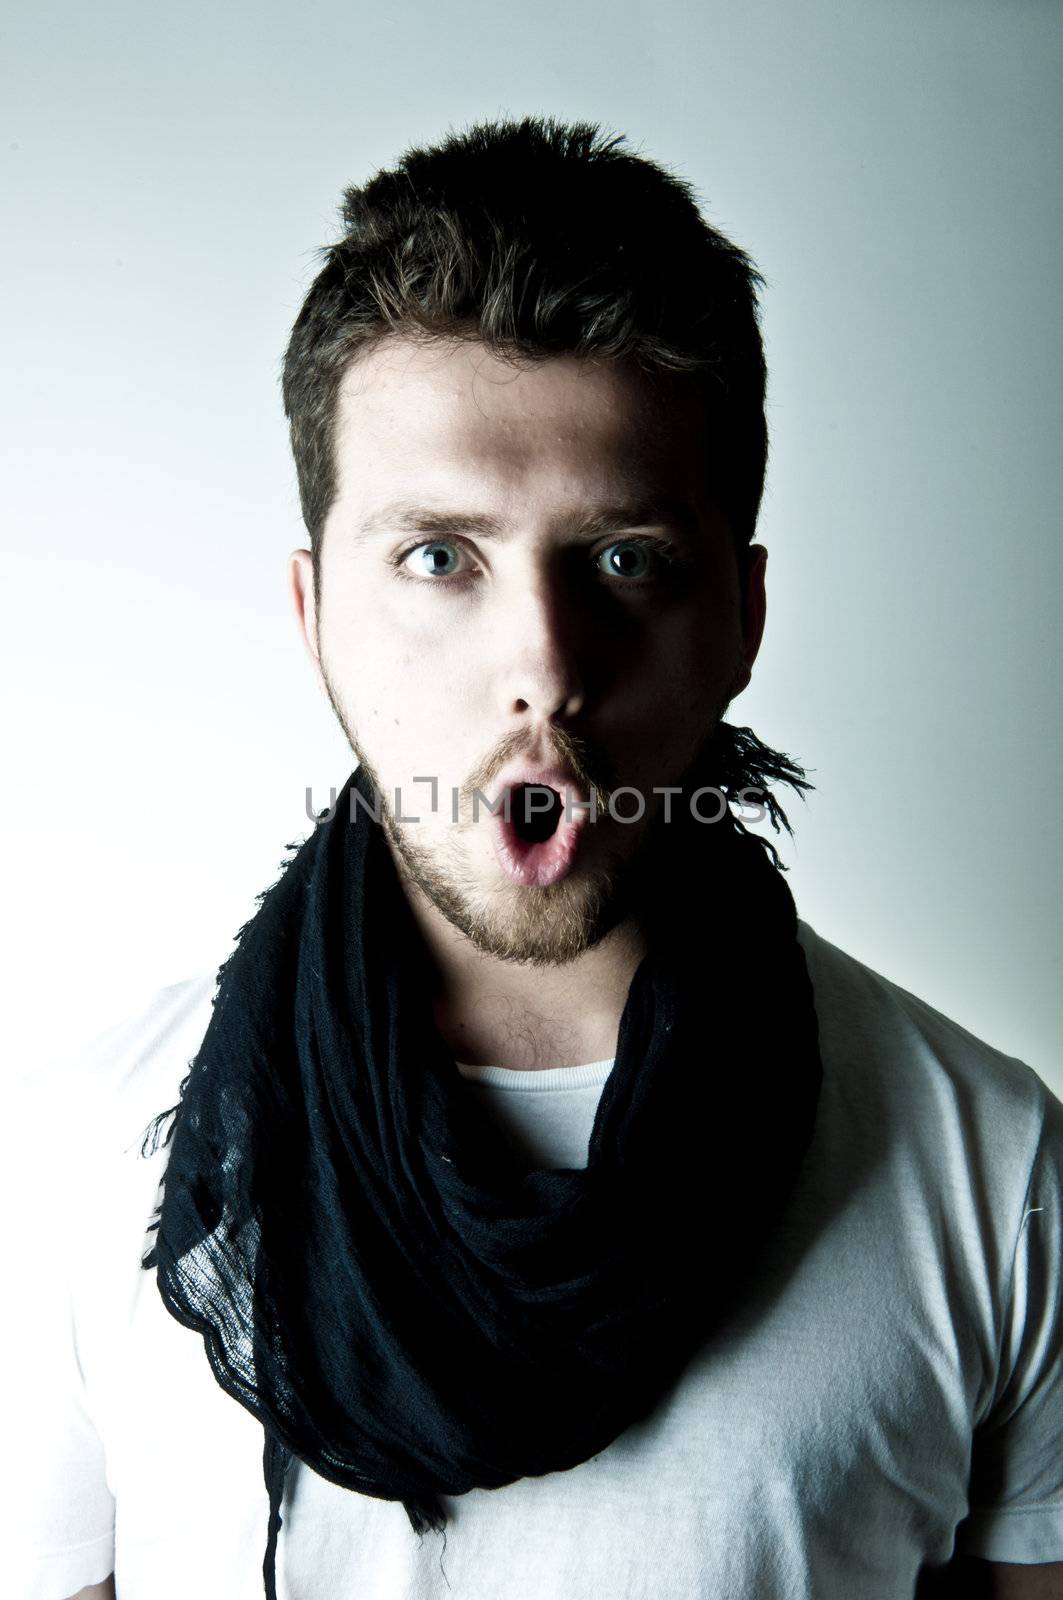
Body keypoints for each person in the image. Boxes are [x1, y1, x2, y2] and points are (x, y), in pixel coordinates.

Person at [13, 116, 1062, 1600]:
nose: (545, 671)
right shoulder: (69, 1160)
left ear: (743, 621)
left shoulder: (992, 1168)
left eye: (627, 560)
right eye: (440, 557)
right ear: (314, 614)